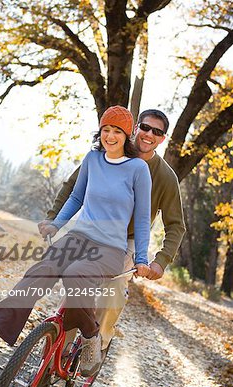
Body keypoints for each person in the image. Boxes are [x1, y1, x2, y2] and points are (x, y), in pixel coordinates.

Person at [0, 105, 152, 376]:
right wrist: (56, 224)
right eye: (106, 129)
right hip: (78, 237)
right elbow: (76, 197)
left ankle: (90, 337)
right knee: (40, 271)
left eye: (117, 131)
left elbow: (142, 218)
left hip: (110, 248)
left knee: (76, 275)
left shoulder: (138, 169)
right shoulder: (92, 160)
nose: (110, 136)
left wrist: (142, 258)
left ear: (127, 136)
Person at [39, 109, 186, 350]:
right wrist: (53, 220)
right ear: (136, 128)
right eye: (145, 127)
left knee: (113, 290)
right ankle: (54, 353)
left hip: (127, 241)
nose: (149, 134)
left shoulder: (165, 177)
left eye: (157, 132)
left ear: (162, 139)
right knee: (75, 284)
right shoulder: (105, 154)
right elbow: (74, 188)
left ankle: (96, 343)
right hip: (90, 232)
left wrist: (160, 261)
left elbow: (176, 225)